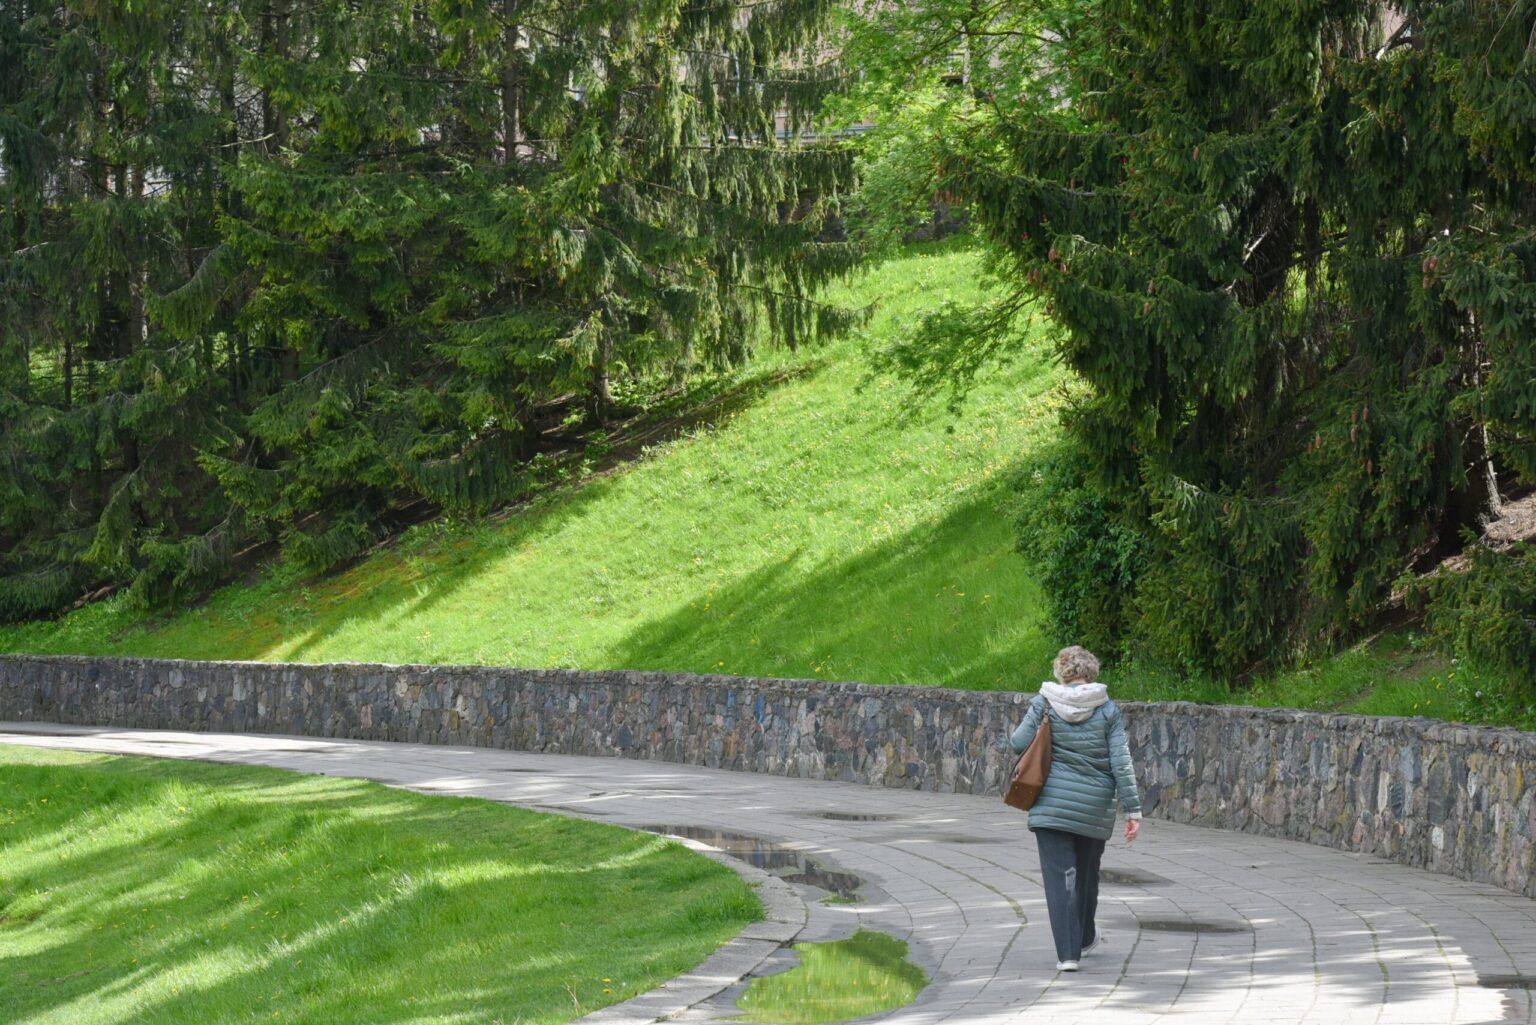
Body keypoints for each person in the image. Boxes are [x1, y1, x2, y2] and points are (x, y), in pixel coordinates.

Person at [1008, 645, 1142, 973]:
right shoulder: (1107, 709)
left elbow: (1017, 743)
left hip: (1050, 805)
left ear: (1061, 671)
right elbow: (1120, 762)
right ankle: (1083, 936)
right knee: (1086, 875)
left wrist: (1039, 709)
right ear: (1090, 672)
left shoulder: (1045, 701)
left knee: (1059, 878)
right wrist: (1133, 810)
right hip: (1094, 806)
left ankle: (1069, 953)